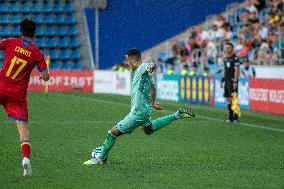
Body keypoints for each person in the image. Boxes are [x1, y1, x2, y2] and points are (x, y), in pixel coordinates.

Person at [84, 48, 196, 165]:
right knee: (149, 129)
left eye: (128, 60)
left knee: (112, 133)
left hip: (138, 112)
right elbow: (153, 88)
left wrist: (151, 67)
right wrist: (153, 103)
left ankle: (99, 159)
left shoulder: (142, 68)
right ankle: (177, 115)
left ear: (133, 60)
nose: (127, 63)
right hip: (145, 110)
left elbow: (151, 66)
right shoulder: (144, 75)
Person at [0, 19, 50, 177]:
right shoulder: (37, 53)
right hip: (18, 95)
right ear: (34, 35)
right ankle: (26, 159)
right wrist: (44, 77)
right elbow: (46, 76)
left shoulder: (10, 42)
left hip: (1, 85)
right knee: (22, 128)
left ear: (20, 31)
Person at [221, 42, 240, 123]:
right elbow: (225, 70)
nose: (227, 49)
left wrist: (235, 80)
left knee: (233, 98)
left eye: (228, 48)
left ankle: (235, 116)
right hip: (227, 81)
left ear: (232, 48)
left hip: (232, 80)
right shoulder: (226, 58)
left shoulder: (235, 58)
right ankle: (230, 116)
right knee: (228, 98)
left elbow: (237, 69)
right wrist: (222, 79)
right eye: (226, 48)